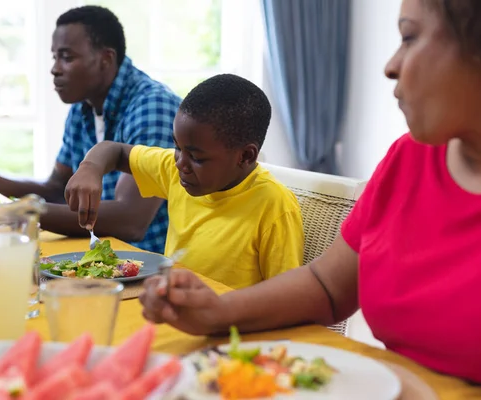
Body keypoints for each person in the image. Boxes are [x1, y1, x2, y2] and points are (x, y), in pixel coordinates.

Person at [137, 0, 481, 386]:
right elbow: (327, 286)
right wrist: (218, 311)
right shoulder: (409, 158)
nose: (391, 65)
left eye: (410, 37)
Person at [0, 6, 181, 254]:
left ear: (106, 59)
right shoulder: (82, 106)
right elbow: (56, 189)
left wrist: (17, 213)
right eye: (55, 57)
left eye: (67, 57)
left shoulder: (152, 106)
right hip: (101, 259)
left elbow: (130, 220)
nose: (55, 68)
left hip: (150, 270)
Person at [65, 74, 304, 289]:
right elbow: (114, 151)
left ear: (245, 156)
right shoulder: (175, 169)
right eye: (177, 148)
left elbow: (286, 298)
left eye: (197, 157)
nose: (181, 163)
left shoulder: (274, 206)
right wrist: (90, 168)